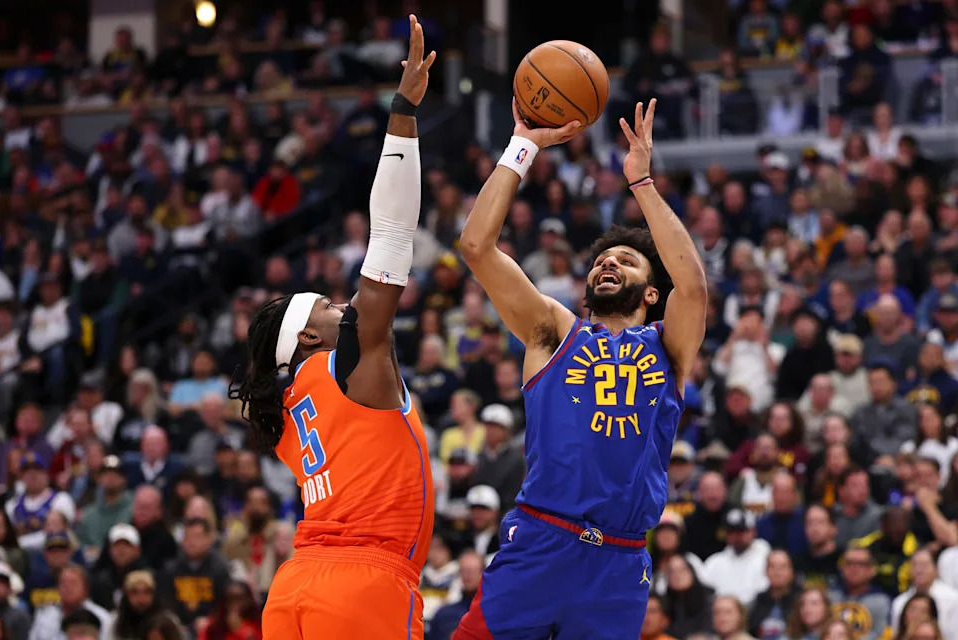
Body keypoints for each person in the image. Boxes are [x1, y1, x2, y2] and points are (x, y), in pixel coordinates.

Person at [453, 99, 707, 637]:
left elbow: (695, 285)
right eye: (600, 260)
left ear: (652, 292)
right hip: (543, 539)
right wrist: (523, 145)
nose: (607, 262)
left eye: (625, 260)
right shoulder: (554, 330)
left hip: (618, 563)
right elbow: (476, 246)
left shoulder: (670, 346)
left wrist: (642, 184)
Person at [229, 16, 437, 640]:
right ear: (310, 339)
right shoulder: (345, 363)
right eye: (323, 304)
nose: (339, 304)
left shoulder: (287, 406)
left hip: (295, 588)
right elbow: (392, 238)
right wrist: (402, 116)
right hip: (364, 584)